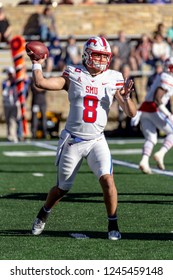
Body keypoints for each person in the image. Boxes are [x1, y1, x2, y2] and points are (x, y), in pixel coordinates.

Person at [29, 36, 136, 240]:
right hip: (73, 140)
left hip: (97, 140)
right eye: (97, 55)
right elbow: (40, 82)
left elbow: (131, 113)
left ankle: (113, 224)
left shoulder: (114, 77)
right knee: (61, 189)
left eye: (104, 56)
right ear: (87, 54)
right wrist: (36, 64)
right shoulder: (74, 74)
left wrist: (127, 97)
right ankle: (44, 213)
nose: (101, 60)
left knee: (108, 180)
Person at [132, 57, 173, 174]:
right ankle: (161, 153)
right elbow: (157, 98)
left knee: (151, 138)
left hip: (144, 109)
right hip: (154, 108)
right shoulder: (168, 78)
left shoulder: (162, 75)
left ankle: (144, 161)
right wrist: (168, 113)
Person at [2, 67, 19, 143]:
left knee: (13, 120)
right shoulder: (5, 82)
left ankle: (14, 136)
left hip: (14, 104)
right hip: (7, 104)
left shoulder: (16, 82)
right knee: (8, 120)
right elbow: (4, 91)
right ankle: (9, 135)